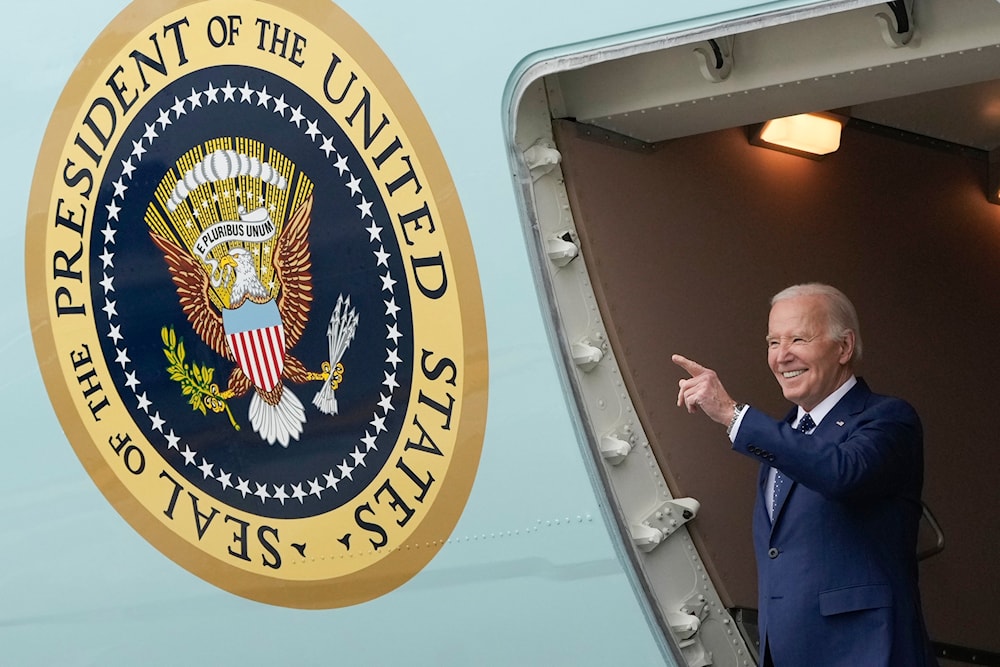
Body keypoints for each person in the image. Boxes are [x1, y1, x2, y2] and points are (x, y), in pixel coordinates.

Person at [673, 283, 937, 667]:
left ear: (844, 347)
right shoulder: (783, 441)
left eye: (798, 338)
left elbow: (841, 472)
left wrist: (733, 414)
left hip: (866, 653)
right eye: (772, 342)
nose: (782, 356)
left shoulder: (888, 419)